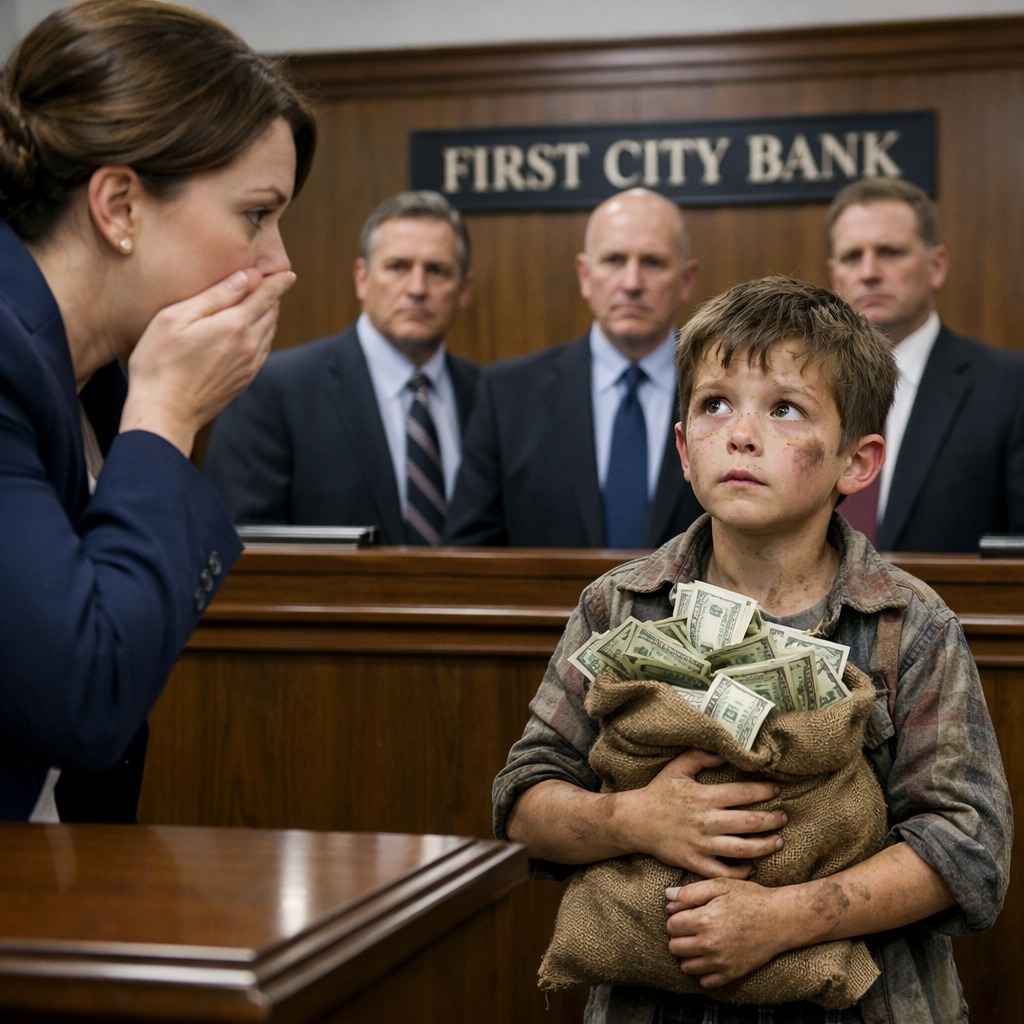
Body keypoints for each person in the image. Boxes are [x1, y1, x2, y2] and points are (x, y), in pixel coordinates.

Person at [493, 276, 1012, 1023]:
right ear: (684, 448)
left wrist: (783, 919)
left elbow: (967, 848)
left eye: (785, 408)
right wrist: (635, 818)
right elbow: (523, 801)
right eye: (714, 404)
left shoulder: (911, 623)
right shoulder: (618, 605)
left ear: (857, 462)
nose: (740, 434)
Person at [0, 0, 316, 822]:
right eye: (256, 214)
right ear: (119, 207)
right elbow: (83, 699)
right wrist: (168, 414)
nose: (279, 263)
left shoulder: (100, 379)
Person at [204, 190, 479, 545]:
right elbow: (242, 543)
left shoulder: (487, 396)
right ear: (362, 278)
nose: (416, 288)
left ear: (464, 290)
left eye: (437, 271)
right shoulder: (273, 390)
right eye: (397, 267)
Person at [444, 187, 704, 548]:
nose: (631, 283)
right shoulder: (507, 395)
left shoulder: (724, 395)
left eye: (653, 262)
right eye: (613, 260)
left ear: (686, 280)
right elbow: (468, 550)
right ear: (585, 275)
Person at [826, 177, 1024, 552]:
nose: (868, 272)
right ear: (835, 277)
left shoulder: (1010, 387)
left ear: (936, 266)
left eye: (890, 252)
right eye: (852, 256)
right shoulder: (806, 387)